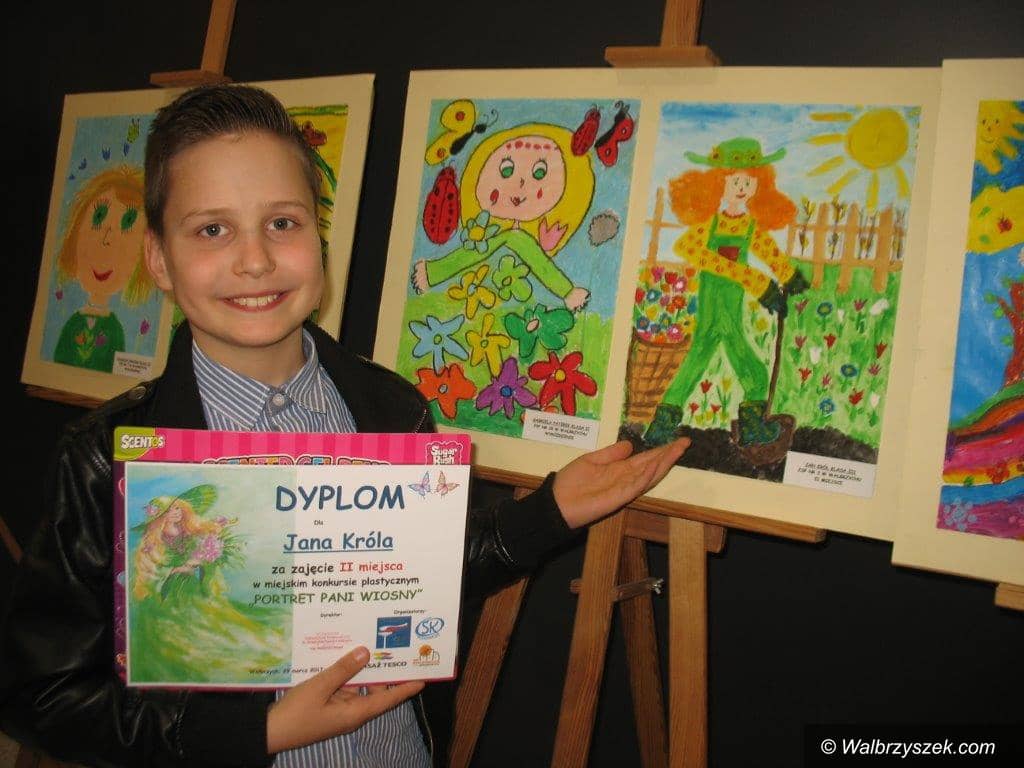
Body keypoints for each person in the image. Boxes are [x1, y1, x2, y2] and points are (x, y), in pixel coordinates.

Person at [0, 84, 689, 767]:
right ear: (158, 259)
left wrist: (551, 511)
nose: (255, 260)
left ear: (317, 235)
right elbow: (42, 695)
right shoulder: (106, 459)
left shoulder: (389, 408)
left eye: (283, 223)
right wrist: (254, 732)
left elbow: (414, 576)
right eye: (212, 230)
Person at [644, 138, 809, 447]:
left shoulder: (748, 226)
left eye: (749, 181)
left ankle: (661, 426)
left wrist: (788, 276)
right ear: (719, 183)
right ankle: (749, 428)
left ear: (759, 185)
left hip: (730, 309)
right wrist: (754, 280)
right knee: (752, 371)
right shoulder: (710, 224)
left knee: (700, 360)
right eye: (735, 181)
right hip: (715, 309)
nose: (742, 187)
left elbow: (769, 252)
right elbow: (686, 247)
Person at [412, 122, 593, 311]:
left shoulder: (523, 238)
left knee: (517, 243)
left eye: (539, 173)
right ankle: (433, 272)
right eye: (507, 170)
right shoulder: (502, 233)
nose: (521, 184)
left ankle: (433, 272)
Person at [52, 165, 155, 371]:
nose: (107, 239)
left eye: (128, 222)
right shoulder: (73, 324)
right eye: (98, 216)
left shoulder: (114, 329)